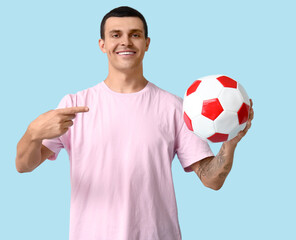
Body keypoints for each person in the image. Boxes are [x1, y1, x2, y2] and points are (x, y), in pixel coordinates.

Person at [15, 6, 254, 240]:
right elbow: (24, 166)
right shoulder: (74, 105)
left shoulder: (173, 107)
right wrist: (33, 133)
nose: (126, 42)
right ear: (102, 45)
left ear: (147, 43)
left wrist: (229, 145)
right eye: (116, 35)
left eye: (135, 35)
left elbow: (211, 180)